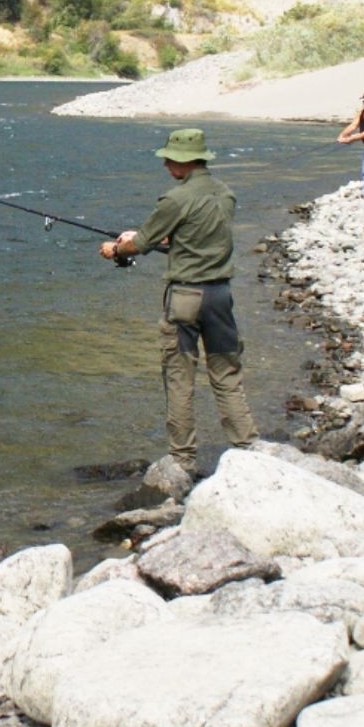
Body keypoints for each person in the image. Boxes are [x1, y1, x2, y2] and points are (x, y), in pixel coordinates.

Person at [100, 128, 258, 498]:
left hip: (186, 298)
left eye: (169, 158)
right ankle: (248, 448)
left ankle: (184, 459)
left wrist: (115, 249)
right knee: (226, 375)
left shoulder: (174, 198)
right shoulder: (225, 194)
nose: (166, 163)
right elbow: (195, 237)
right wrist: (143, 237)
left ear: (183, 162)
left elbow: (141, 244)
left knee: (179, 376)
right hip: (221, 297)